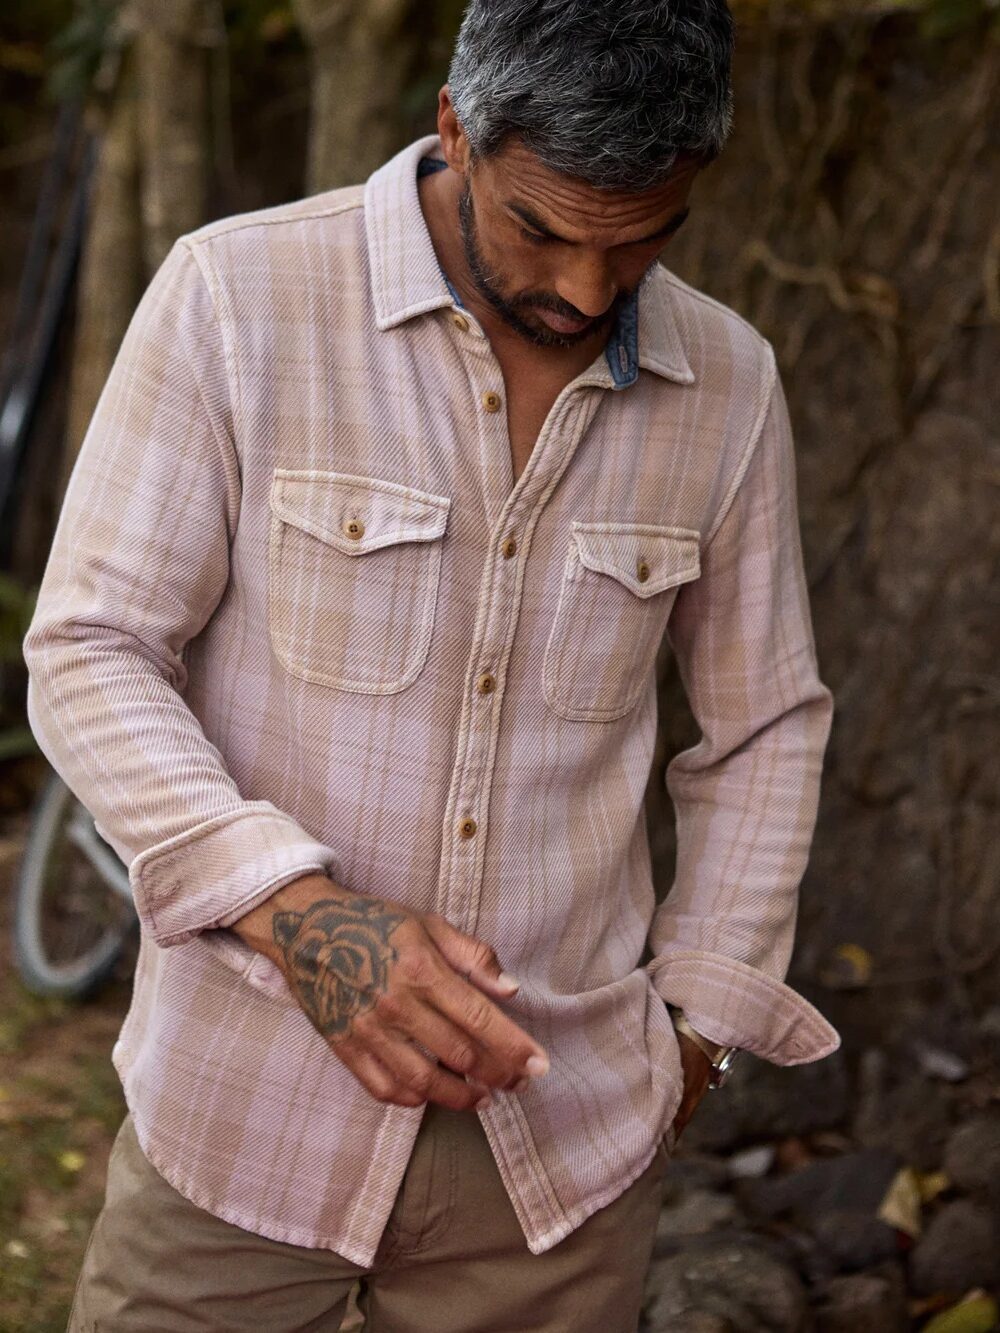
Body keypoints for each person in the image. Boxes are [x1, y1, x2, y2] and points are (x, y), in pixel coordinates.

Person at [23, 0, 841, 1328]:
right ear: (457, 126)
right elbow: (90, 647)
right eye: (543, 230)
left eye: (641, 242)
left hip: (559, 1161)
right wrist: (297, 915)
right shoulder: (238, 297)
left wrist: (704, 1027)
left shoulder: (731, 386)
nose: (588, 292)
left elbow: (765, 730)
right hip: (243, 1117)